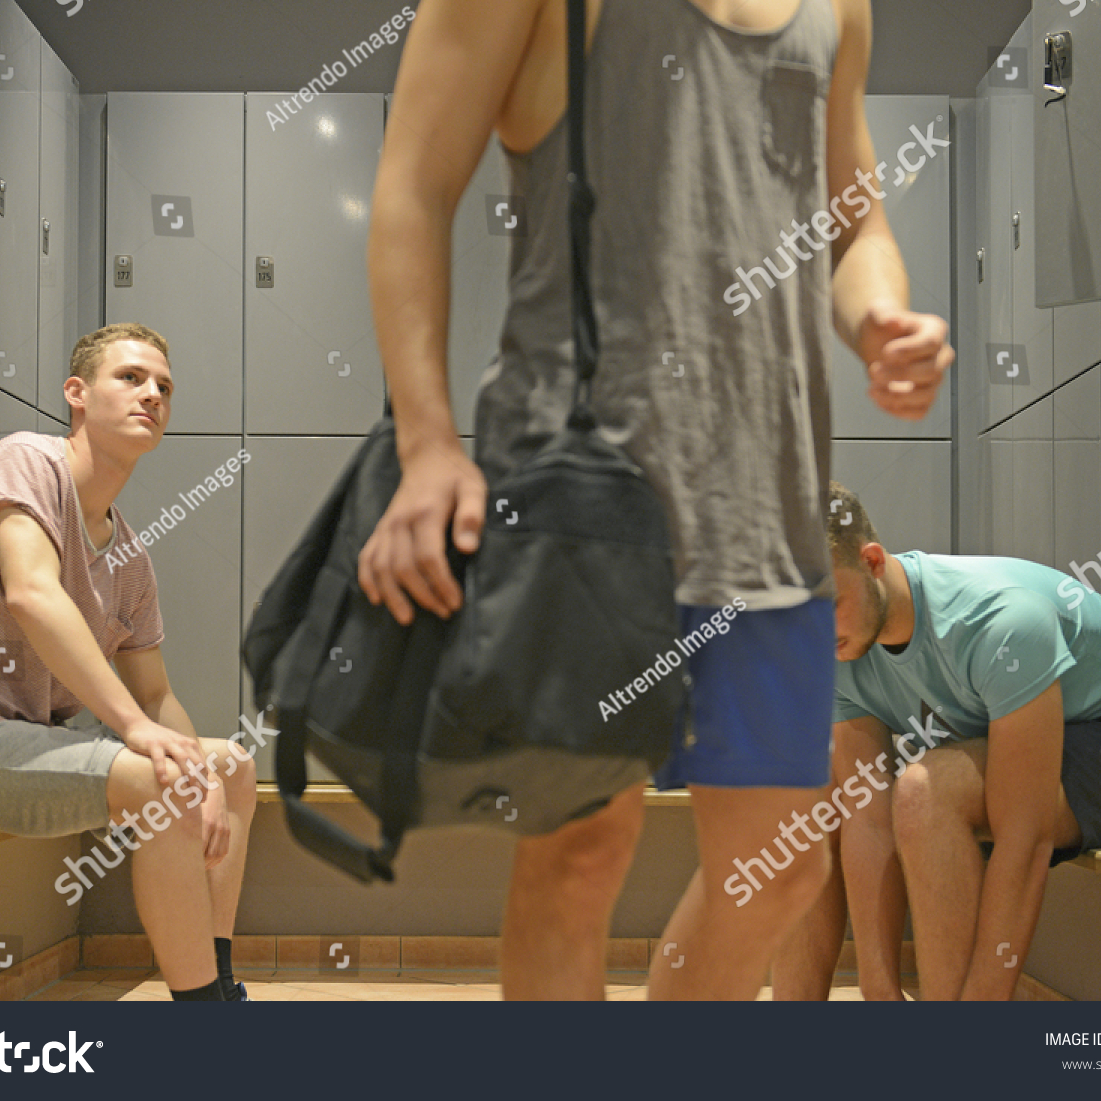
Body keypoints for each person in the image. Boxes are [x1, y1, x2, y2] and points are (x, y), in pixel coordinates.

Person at [359, 0, 953, 999]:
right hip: (581, 494)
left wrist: (882, 317)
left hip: (770, 503)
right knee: (579, 853)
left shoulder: (839, 7)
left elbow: (857, 228)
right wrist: (424, 444)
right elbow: (413, 182)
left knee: (782, 870)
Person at [0, 323, 257, 1002]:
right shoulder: (26, 462)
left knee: (235, 764)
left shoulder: (130, 555)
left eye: (164, 386)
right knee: (163, 781)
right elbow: (32, 592)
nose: (152, 395)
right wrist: (142, 737)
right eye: (131, 377)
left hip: (34, 747)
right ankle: (202, 1017)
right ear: (76, 393)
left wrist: (204, 768)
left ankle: (220, 982)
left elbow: (157, 693)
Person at [773, 481, 1101, 1000]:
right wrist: (879, 989)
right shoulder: (841, 647)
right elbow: (866, 819)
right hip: (1048, 751)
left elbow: (1023, 838)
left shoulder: (997, 619)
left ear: (872, 562)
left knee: (926, 791)